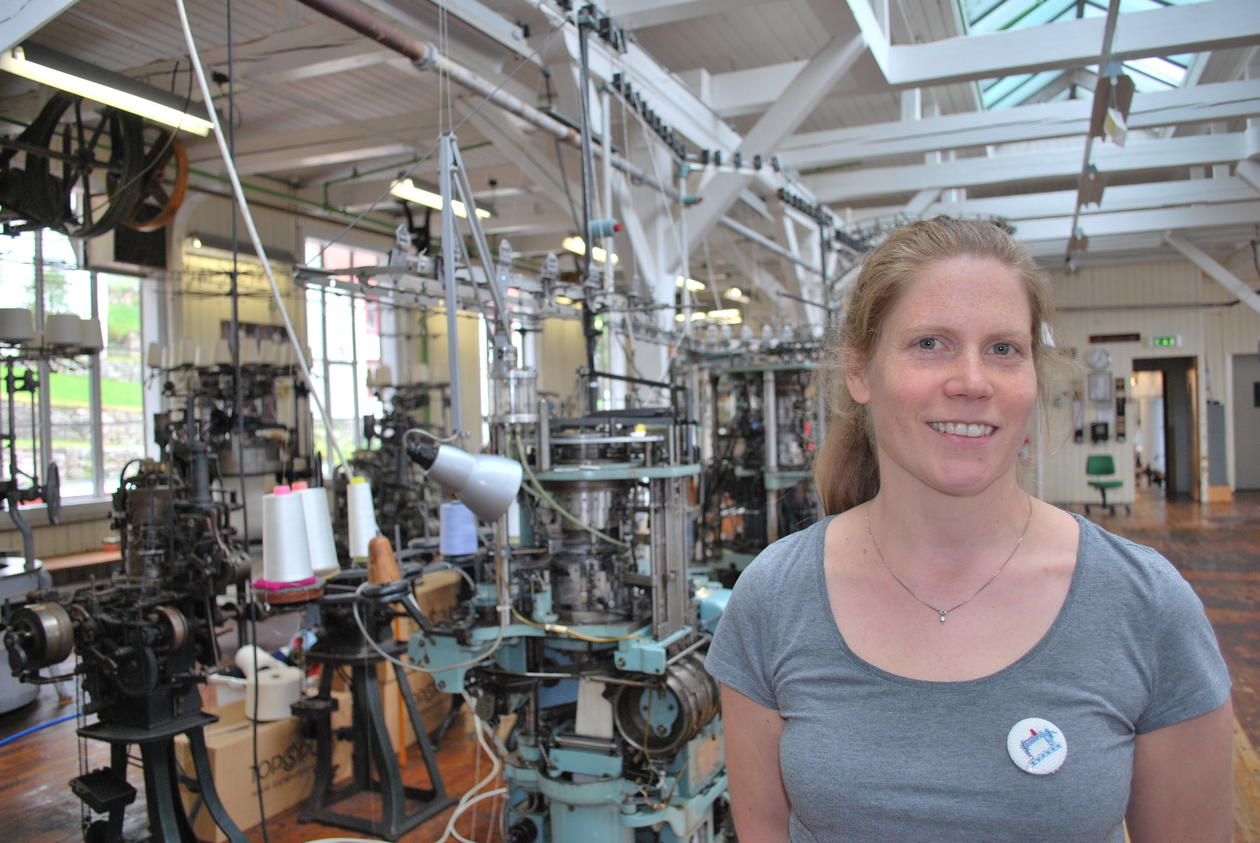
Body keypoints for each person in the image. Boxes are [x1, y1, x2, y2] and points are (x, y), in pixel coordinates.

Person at [705, 216, 1233, 841]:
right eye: (931, 343)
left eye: (1003, 349)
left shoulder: (1144, 603)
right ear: (858, 371)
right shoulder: (774, 597)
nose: (972, 383)